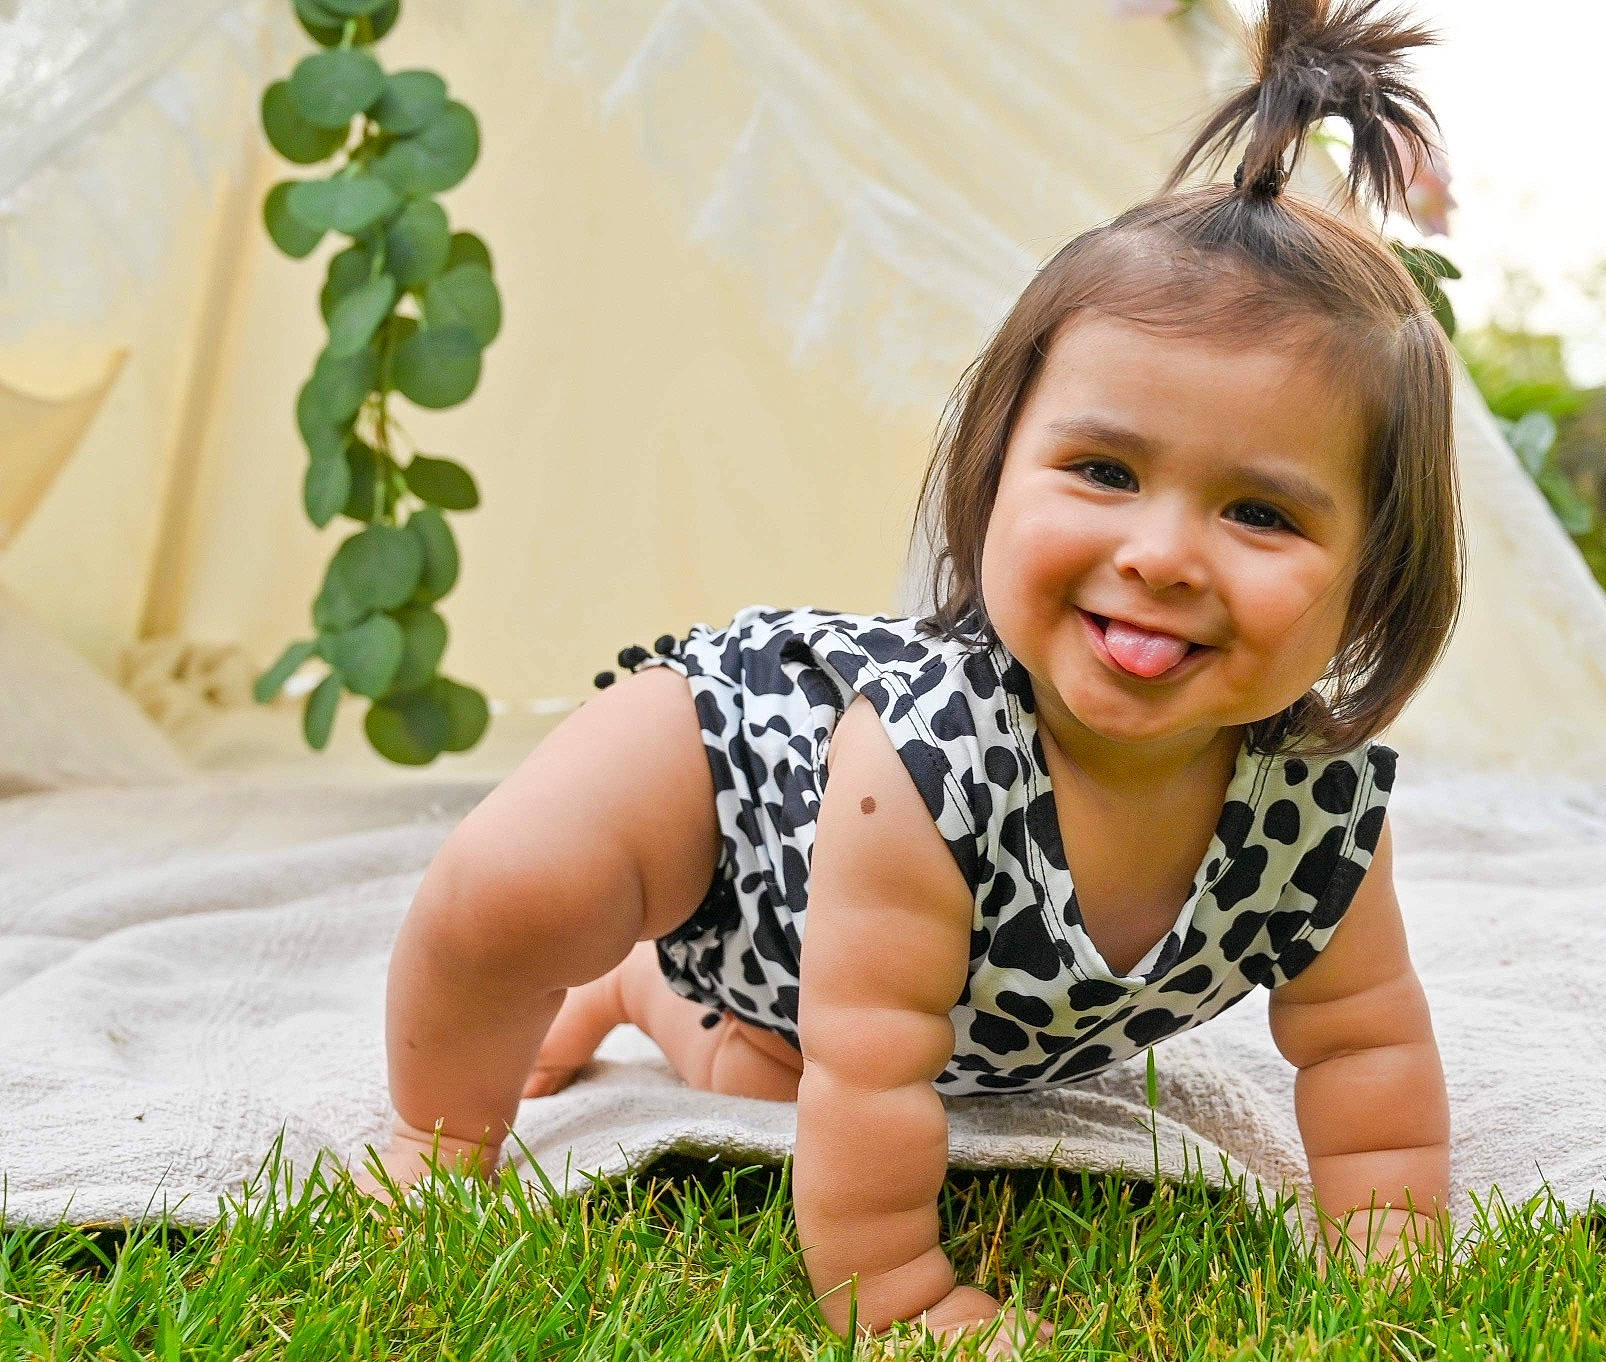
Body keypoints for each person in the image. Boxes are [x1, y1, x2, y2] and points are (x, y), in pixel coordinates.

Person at [355, 0, 1463, 1349]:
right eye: (1104, 472)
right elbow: (875, 1068)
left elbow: (1365, 1048)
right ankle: (434, 1127)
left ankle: (654, 996)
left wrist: (1389, 1237)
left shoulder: (1319, 808)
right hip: (741, 794)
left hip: (846, 991)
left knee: (770, 1069)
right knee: (516, 892)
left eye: (1261, 514)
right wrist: (895, 1292)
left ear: (1372, 578)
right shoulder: (934, 752)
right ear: (995, 483)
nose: (1162, 554)